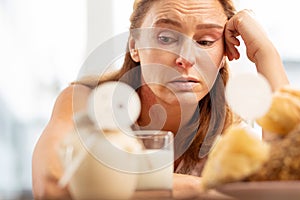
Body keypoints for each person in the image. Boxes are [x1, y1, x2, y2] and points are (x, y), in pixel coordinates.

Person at [32, 0, 289, 199]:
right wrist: (199, 188)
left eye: (205, 41)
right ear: (134, 45)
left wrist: (266, 53)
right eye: (166, 38)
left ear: (224, 55)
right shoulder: (86, 103)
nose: (186, 58)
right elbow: (51, 184)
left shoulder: (230, 136)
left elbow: (289, 180)